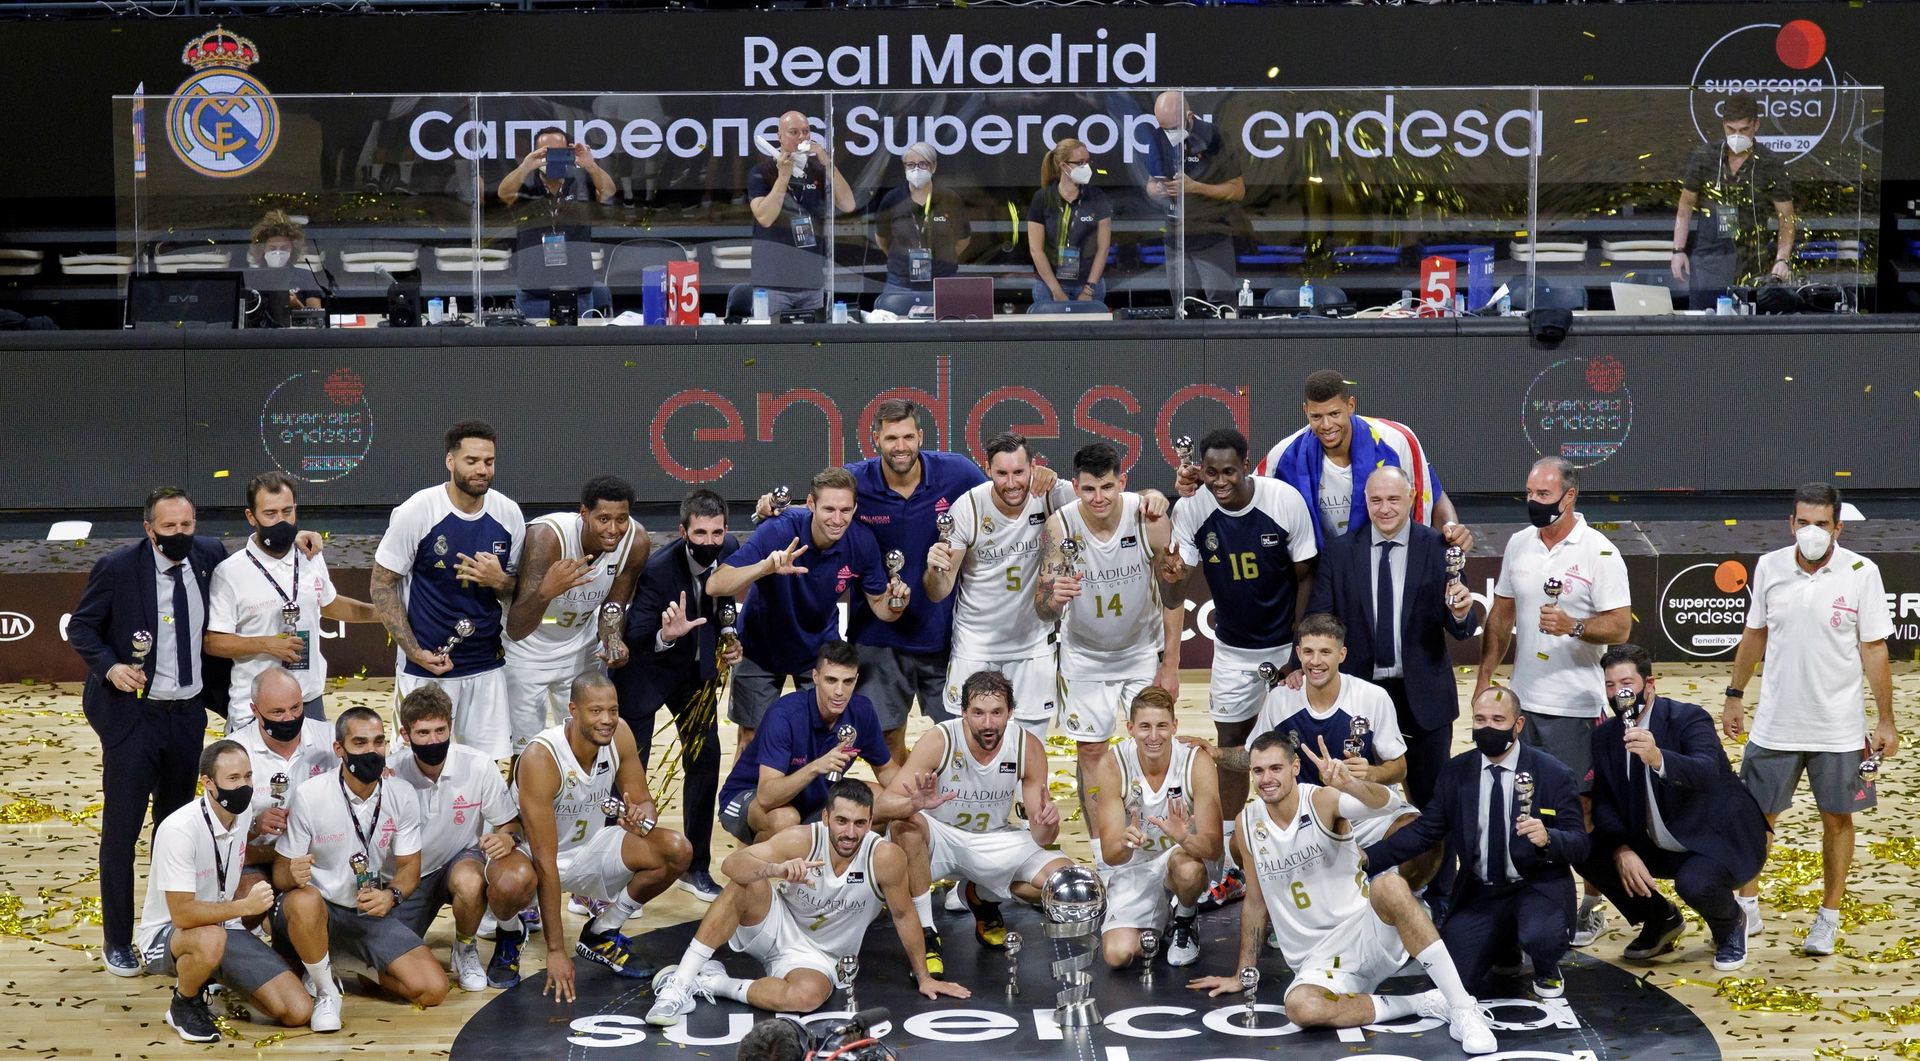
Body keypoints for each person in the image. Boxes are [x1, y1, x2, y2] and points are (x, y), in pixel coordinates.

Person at [1186, 732, 1498, 1054]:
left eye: (1276, 768)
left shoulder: (1321, 801)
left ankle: (1463, 1008)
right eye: (1259, 771)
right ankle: (1425, 1002)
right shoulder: (1247, 823)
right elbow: (1255, 901)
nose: (1267, 779)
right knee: (1301, 1007)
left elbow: (1388, 804)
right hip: (1317, 961)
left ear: (1295, 767)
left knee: (1389, 885)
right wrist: (1243, 972)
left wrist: (1351, 785)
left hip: (1366, 932)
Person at [70, 486, 237, 977]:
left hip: (187, 716)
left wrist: (306, 540)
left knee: (175, 830)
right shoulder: (118, 568)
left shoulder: (209, 555)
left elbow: (257, 563)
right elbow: (81, 628)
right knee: (122, 831)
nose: (180, 534)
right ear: (149, 529)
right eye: (169, 527)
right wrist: (111, 667)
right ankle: (118, 940)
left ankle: (168, 929)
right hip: (133, 718)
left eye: (187, 525)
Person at [1724, 482, 1896, 956]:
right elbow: (1755, 633)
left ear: (1838, 528)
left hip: (1838, 727)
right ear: (1791, 523)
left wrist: (1886, 720)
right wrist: (1734, 695)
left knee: (1837, 819)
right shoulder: (1769, 566)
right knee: (1756, 817)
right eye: (1803, 522)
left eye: (1822, 523)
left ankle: (1828, 917)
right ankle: (1746, 906)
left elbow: (1874, 648)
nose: (1811, 531)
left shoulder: (1862, 572)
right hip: (1775, 723)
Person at [645, 779, 970, 1025]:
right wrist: (775, 869)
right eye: (842, 821)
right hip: (776, 927)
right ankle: (680, 983)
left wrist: (924, 977)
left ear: (871, 823)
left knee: (805, 998)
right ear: (826, 817)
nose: (850, 832)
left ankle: (712, 982)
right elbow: (732, 865)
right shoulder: (801, 839)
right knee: (745, 883)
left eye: (859, 823)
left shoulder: (885, 858)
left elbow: (903, 915)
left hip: (822, 956)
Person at [1474, 456, 1631, 945]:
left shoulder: (1600, 552)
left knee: (1579, 810)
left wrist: (1574, 626)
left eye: (1543, 495)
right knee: (1519, 800)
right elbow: (1500, 616)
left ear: (1569, 497)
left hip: (1576, 707)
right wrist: (1485, 678)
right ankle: (1526, 891)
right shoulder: (1519, 543)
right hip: (1523, 702)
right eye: (1530, 493)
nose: (1533, 502)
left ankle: (1592, 902)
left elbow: (1621, 626)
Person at [1162, 427, 1316, 897]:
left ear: (1246, 465)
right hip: (1231, 649)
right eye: (1211, 472)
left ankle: (1304, 845)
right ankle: (1229, 860)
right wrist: (1169, 573)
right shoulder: (1192, 507)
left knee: (1297, 744)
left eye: (1228, 471)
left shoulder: (1283, 501)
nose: (1220, 481)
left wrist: (1298, 650)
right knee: (1229, 745)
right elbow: (1176, 580)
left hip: (1285, 647)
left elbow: (1306, 575)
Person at [1365, 686, 1589, 999]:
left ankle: (1546, 965)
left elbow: (1580, 844)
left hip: (1535, 885)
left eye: (1498, 720)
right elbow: (1425, 831)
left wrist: (1549, 838)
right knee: (1451, 982)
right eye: (1480, 719)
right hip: (1482, 890)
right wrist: (1367, 858)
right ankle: (1504, 946)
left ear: (1518, 724)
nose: (1487, 727)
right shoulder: (1456, 771)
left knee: (1541, 936)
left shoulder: (1553, 773)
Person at [1583, 645, 1768, 971]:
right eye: (1610, 685)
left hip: (1714, 839)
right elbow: (1605, 802)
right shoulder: (1605, 737)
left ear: (1649, 684)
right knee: (1583, 847)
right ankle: (1661, 919)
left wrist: (1659, 758)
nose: (1617, 693)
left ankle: (1730, 924)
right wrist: (1621, 849)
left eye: (1626, 684)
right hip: (1656, 839)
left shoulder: (1688, 718)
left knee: (1694, 883)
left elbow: (1706, 771)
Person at [512, 672, 695, 1002]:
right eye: (596, 711)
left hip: (589, 848)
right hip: (533, 856)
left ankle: (602, 931)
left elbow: (643, 801)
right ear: (573, 710)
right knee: (510, 883)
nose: (607, 719)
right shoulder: (542, 757)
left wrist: (640, 820)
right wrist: (556, 950)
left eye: (613, 710)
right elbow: (545, 860)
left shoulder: (620, 734)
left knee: (676, 850)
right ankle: (507, 934)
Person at [879, 670, 1074, 977]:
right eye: (978, 713)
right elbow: (882, 806)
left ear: (1010, 712)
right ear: (963, 712)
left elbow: (1041, 836)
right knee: (905, 826)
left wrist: (1049, 824)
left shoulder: (1027, 746)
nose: (988, 723)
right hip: (940, 836)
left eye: (997, 712)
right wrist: (912, 804)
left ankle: (980, 895)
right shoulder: (940, 740)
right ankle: (927, 934)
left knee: (1066, 886)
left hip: (993, 839)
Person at [1307, 465, 1479, 813]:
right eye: (1376, 500)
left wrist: (1461, 612)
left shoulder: (1439, 549)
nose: (1384, 509)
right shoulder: (1340, 552)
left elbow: (1462, 627)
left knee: (1432, 807)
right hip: (1359, 699)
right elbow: (1319, 621)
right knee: (1356, 805)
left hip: (1425, 702)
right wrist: (1303, 666)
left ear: (1412, 497)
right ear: (1365, 501)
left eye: (1393, 499)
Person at [272, 707, 449, 1032]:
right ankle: (326, 992)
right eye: (360, 742)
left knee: (433, 989)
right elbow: (281, 873)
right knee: (304, 900)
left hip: (366, 912)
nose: (372, 751)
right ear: (339, 749)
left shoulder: (401, 794)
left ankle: (349, 962)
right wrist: (292, 873)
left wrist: (391, 895)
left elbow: (410, 868)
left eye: (379, 742)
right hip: (319, 909)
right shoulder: (311, 795)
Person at [1036, 442, 1179, 845]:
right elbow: (1043, 606)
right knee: (1091, 753)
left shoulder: (1148, 517)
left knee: (1153, 744)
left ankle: (1155, 845)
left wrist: (1170, 664)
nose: (1098, 497)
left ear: (1122, 482)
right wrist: (1054, 598)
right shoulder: (1060, 525)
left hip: (1141, 651)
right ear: (1075, 487)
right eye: (1088, 489)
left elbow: (1173, 593)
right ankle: (1105, 851)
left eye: (1106, 487)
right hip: (1083, 655)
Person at [709, 467, 905, 753]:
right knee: (752, 738)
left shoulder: (861, 541)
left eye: (845, 510)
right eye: (829, 509)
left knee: (821, 738)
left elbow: (880, 606)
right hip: (760, 647)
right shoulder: (778, 530)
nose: (837, 519)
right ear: (811, 504)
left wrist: (897, 602)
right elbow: (715, 584)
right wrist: (765, 567)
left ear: (855, 509)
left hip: (817, 650)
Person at [842, 400, 988, 763]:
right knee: (885, 737)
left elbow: (1002, 498)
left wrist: (1043, 481)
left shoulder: (958, 473)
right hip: (878, 636)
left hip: (945, 634)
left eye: (908, 437)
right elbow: (816, 513)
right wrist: (770, 509)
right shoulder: (854, 482)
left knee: (961, 736)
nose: (901, 446)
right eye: (891, 438)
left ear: (921, 436)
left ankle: (944, 798)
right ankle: (908, 797)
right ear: (875, 439)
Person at [136, 739, 310, 1042]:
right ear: (208, 783)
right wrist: (245, 907)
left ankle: (216, 974)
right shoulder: (179, 830)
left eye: (248, 776)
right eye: (233, 778)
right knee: (210, 937)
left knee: (298, 1011)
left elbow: (237, 845)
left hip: (225, 928)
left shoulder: (242, 815)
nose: (244, 786)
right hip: (169, 933)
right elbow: (183, 915)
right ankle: (184, 1003)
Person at [371, 420, 525, 759]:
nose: (482, 469)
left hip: (486, 666)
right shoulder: (418, 511)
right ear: (450, 461)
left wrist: (499, 581)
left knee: (486, 766)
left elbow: (518, 591)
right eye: (472, 461)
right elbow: (381, 584)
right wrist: (414, 651)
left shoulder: (508, 514)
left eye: (489, 461)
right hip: (425, 667)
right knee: (412, 763)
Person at [614, 488, 740, 903]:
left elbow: (724, 606)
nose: (709, 541)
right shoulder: (658, 570)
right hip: (646, 674)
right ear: (683, 531)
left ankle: (696, 867)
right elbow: (636, 635)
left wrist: (729, 636)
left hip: (695, 677)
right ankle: (616, 874)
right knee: (630, 772)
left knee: (705, 760)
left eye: (716, 532)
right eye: (700, 533)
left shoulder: (730, 551)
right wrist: (666, 636)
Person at [924, 431, 1075, 741]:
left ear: (1033, 467)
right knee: (970, 746)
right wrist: (935, 569)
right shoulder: (968, 508)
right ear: (987, 469)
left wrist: (1153, 497)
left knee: (1030, 747)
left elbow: (1109, 502)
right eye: (1002, 473)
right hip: (975, 646)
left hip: (1033, 647)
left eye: (1019, 472)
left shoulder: (1051, 494)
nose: (1011, 482)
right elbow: (938, 591)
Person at [389, 685, 539, 991]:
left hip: (459, 862)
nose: (434, 740)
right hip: (407, 874)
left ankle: (465, 947)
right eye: (423, 733)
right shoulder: (390, 774)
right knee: (384, 968)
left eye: (440, 730)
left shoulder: (478, 764)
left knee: (470, 881)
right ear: (405, 735)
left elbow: (510, 823)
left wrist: (508, 838)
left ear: (451, 727)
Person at [207, 470, 378, 730]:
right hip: (255, 706)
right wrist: (267, 644)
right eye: (270, 514)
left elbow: (328, 603)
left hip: (309, 699)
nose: (281, 521)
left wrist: (381, 613)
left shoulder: (310, 555)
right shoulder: (230, 572)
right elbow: (214, 642)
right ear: (251, 517)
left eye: (287, 512)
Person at [1231, 370, 1470, 551]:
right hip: (1320, 575)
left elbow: (1433, 495)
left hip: (1391, 565)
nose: (1327, 425)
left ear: (1351, 405)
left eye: (1335, 414)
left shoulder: (1397, 440)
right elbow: (1249, 500)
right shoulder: (1283, 456)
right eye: (1316, 416)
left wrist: (1451, 528)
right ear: (1305, 411)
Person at [504, 475, 649, 753]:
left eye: (621, 519)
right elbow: (517, 627)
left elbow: (613, 607)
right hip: (528, 649)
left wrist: (613, 641)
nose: (614, 529)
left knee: (586, 742)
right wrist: (547, 591)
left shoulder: (635, 541)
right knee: (525, 751)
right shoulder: (548, 537)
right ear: (584, 513)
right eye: (604, 519)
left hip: (580, 646)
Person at [1090, 688, 1222, 970]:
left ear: (1174, 726)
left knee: (1188, 871)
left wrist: (1183, 837)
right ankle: (1164, 916)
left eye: (1162, 726)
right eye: (1145, 727)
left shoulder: (1196, 762)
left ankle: (1185, 918)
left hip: (1185, 856)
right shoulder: (1112, 764)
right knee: (1117, 956)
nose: (1153, 736)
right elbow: (1110, 856)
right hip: (1137, 864)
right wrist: (1124, 842)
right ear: (1130, 728)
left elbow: (1214, 848)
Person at [717, 640, 894, 847]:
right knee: (784, 820)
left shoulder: (862, 711)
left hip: (814, 794)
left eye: (847, 682)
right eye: (831, 680)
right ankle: (750, 862)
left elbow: (887, 770)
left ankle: (830, 860)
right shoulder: (784, 715)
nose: (839, 691)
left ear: (856, 680)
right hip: (751, 795)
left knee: (885, 803)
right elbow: (766, 796)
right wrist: (816, 766)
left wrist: (916, 794)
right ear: (815, 677)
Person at [1672, 93, 1796, 310]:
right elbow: (1685, 206)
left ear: (1756, 125)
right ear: (1723, 125)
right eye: (1731, 129)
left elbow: (1786, 216)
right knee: (1704, 322)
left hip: (1752, 260)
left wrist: (1782, 259)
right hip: (1709, 258)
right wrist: (1678, 250)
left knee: (1749, 323)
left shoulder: (1771, 163)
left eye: (1744, 130)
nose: (1737, 135)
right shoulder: (1704, 157)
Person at [234, 667, 338, 910]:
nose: (289, 718)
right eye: (277, 712)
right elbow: (218, 834)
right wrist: (254, 826)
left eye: (295, 708)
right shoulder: (234, 751)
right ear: (255, 711)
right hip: (258, 856)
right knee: (251, 898)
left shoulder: (330, 738)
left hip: (316, 854)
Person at [497, 126, 616, 321]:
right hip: (533, 293)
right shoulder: (525, 185)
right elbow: (504, 194)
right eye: (546, 153)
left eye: (558, 152)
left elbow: (608, 192)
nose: (551, 159)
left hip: (577, 292)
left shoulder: (582, 183)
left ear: (568, 153)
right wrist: (525, 166)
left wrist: (591, 166)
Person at [747, 110, 856, 318]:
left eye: (806, 131)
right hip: (773, 283)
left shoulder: (818, 170)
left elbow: (848, 204)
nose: (801, 137)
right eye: (794, 132)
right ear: (780, 136)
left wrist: (827, 163)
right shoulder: (762, 171)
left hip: (811, 282)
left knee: (813, 337)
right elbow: (765, 217)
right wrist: (783, 178)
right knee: (771, 337)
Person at [1144, 90, 1246, 305]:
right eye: (1164, 128)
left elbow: (1237, 190)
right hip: (1176, 238)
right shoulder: (1158, 137)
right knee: (1182, 306)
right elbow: (1150, 185)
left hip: (1211, 236)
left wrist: (1195, 187)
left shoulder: (1215, 138)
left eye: (1174, 128)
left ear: (1189, 116)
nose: (1169, 133)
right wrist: (1160, 190)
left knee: (1221, 305)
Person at [872, 142, 970, 315]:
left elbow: (963, 239)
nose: (916, 169)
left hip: (942, 281)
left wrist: (943, 259)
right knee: (896, 329)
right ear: (904, 168)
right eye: (910, 164)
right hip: (900, 283)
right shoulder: (892, 199)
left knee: (946, 328)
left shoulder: (950, 199)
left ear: (934, 167)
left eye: (923, 164)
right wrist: (902, 259)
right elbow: (882, 240)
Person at [1026, 137, 1112, 307]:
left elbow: (1103, 248)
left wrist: (1089, 289)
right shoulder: (1042, 198)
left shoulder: (1097, 197)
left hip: (1089, 284)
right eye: (1080, 163)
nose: (1086, 167)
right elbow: (1036, 249)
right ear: (1064, 166)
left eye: (1088, 162)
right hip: (1048, 286)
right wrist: (1056, 291)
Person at [244, 209, 324, 316]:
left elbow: (317, 318)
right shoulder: (250, 278)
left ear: (292, 249)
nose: (278, 252)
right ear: (263, 249)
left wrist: (297, 306)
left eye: (284, 248)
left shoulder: (305, 276)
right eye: (272, 248)